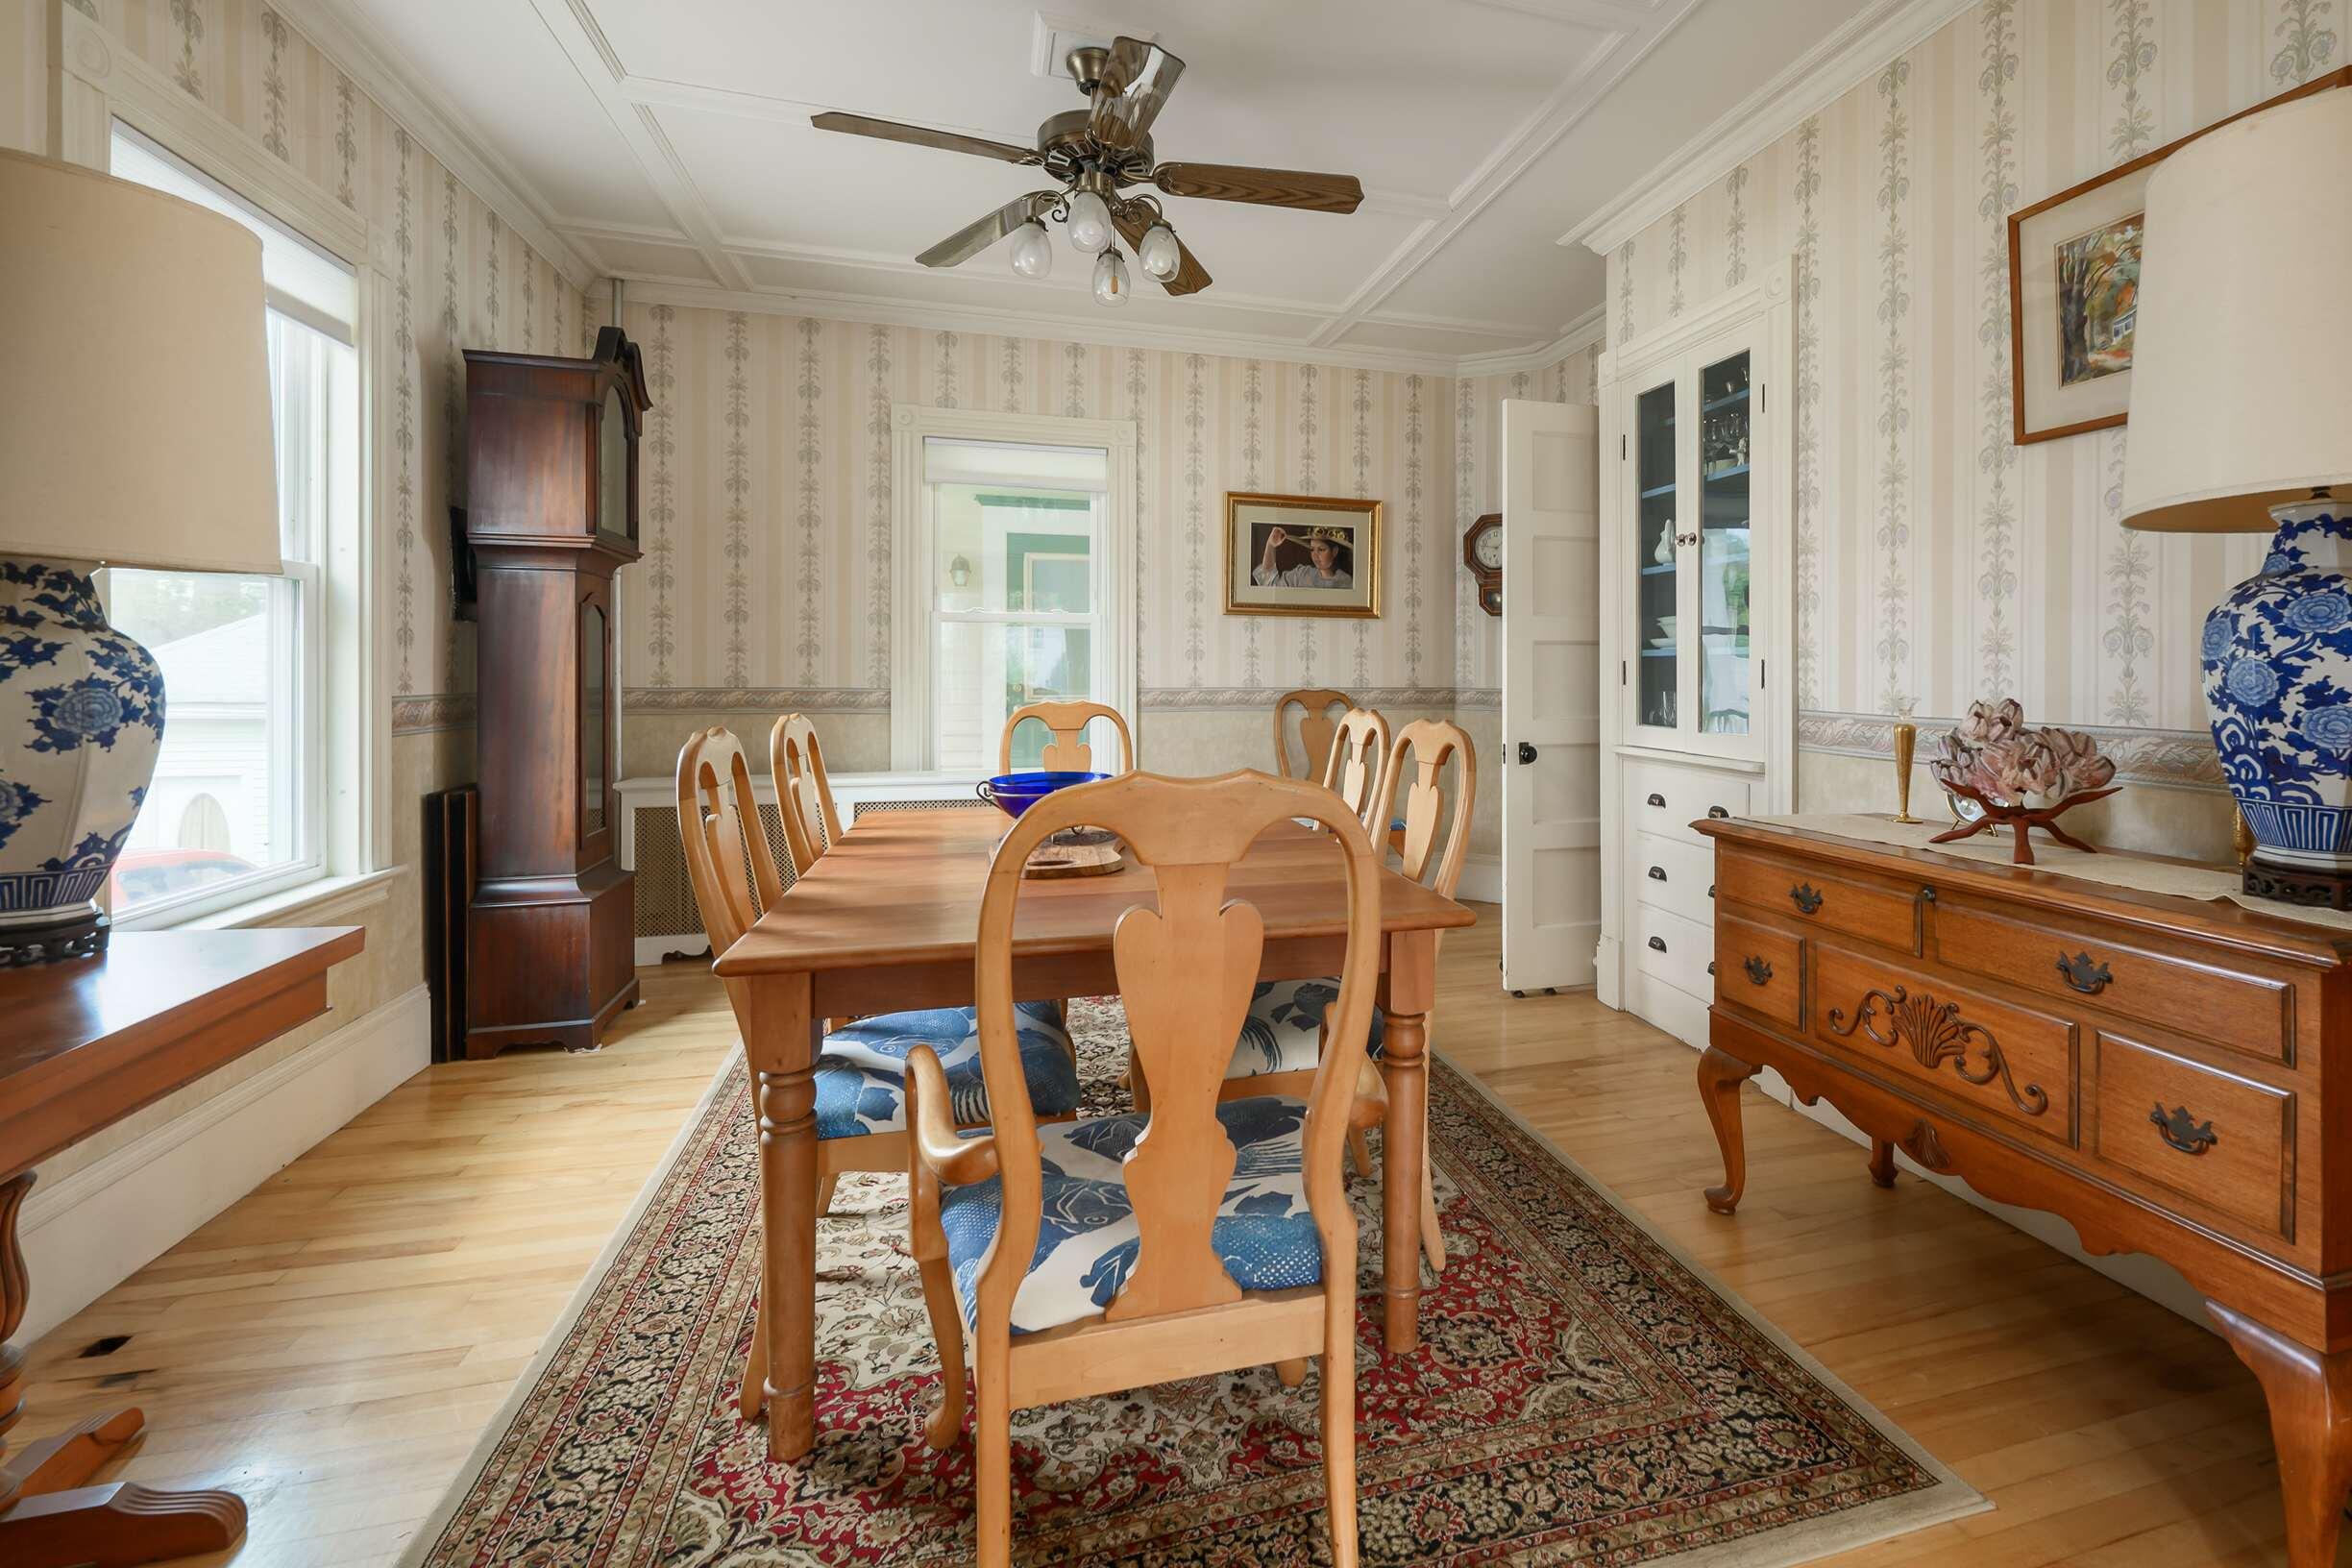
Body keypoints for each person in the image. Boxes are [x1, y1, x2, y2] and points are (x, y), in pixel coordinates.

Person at [1254, 524, 1353, 590]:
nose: (1315, 555)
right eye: (1312, 549)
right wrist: (1270, 545)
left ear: (1334, 551)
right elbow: (1270, 587)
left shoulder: (1346, 582)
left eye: (1321, 549)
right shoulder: (1301, 574)